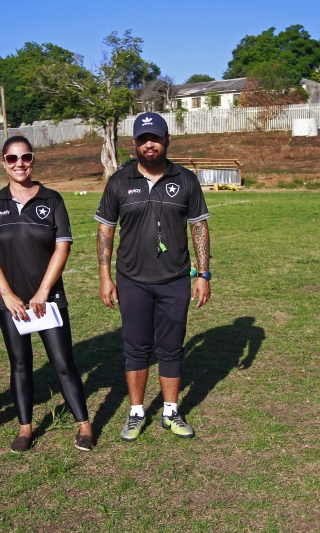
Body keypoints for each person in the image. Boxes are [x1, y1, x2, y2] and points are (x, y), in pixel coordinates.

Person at [95, 112, 211, 441]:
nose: (150, 144)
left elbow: (199, 227)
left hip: (175, 279)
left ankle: (171, 412)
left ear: (167, 140)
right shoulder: (119, 181)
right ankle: (135, 413)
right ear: (134, 143)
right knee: (136, 348)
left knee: (172, 347)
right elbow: (105, 230)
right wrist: (105, 276)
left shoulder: (186, 179)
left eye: (156, 138)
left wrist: (203, 273)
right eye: (144, 139)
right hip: (132, 280)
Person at [0, 135, 93, 452]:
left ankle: (84, 425)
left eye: (25, 157)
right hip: (9, 303)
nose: (20, 164)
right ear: (4, 162)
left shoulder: (52, 199)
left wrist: (43, 292)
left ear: (33, 160)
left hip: (48, 301)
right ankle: (25, 428)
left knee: (62, 362)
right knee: (19, 364)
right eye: (12, 158)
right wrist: (7, 295)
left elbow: (63, 246)